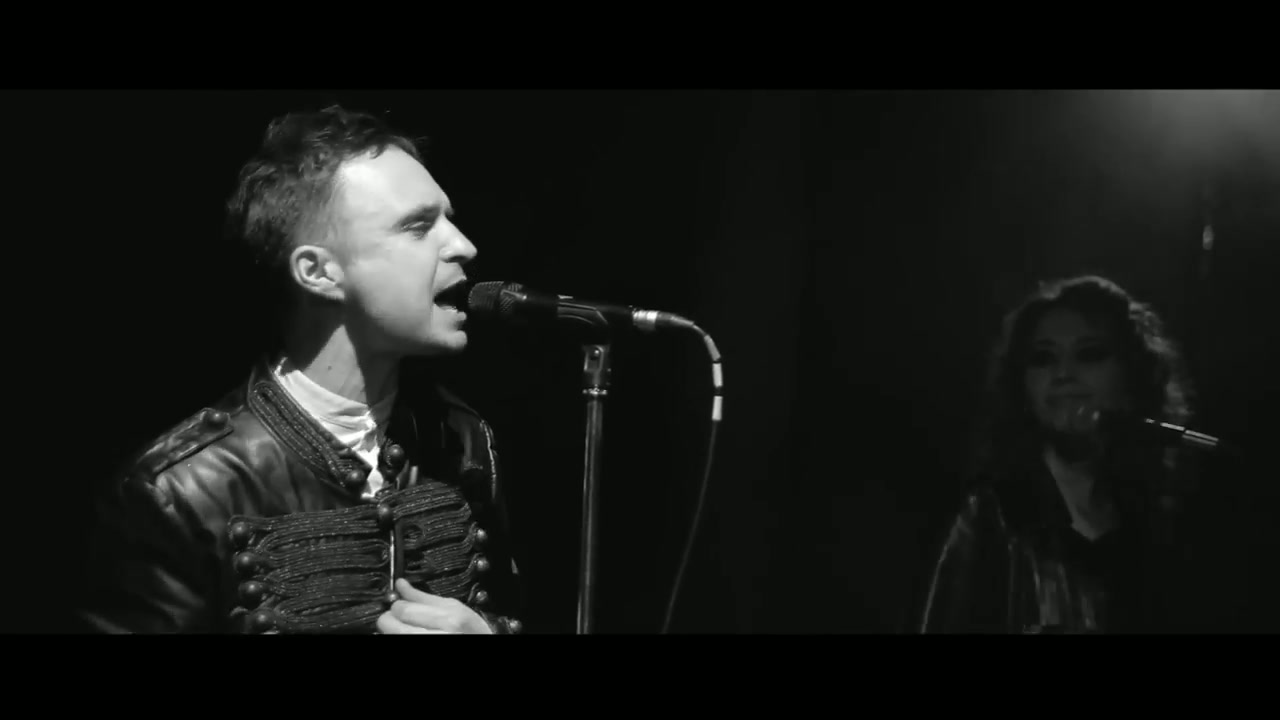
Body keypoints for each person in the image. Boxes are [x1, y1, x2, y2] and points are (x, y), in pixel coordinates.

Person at [72, 105, 523, 634]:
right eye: (418, 226)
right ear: (318, 271)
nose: (463, 245)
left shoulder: (462, 440)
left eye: (448, 219)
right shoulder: (183, 489)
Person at [916, 274, 1248, 634]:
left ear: (1132, 375)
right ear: (1021, 387)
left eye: (1089, 354)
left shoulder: (1159, 523)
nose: (1063, 374)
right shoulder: (988, 516)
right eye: (1043, 358)